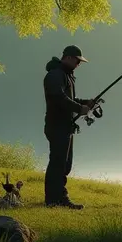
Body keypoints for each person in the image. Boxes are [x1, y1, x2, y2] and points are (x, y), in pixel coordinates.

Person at [43, 45, 94, 209]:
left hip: (65, 126)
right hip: (57, 126)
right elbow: (59, 98)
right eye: (78, 61)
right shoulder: (55, 75)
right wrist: (80, 109)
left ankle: (58, 198)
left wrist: (85, 103)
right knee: (58, 163)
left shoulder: (66, 75)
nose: (79, 64)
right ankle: (55, 200)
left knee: (64, 164)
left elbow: (69, 98)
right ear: (69, 57)